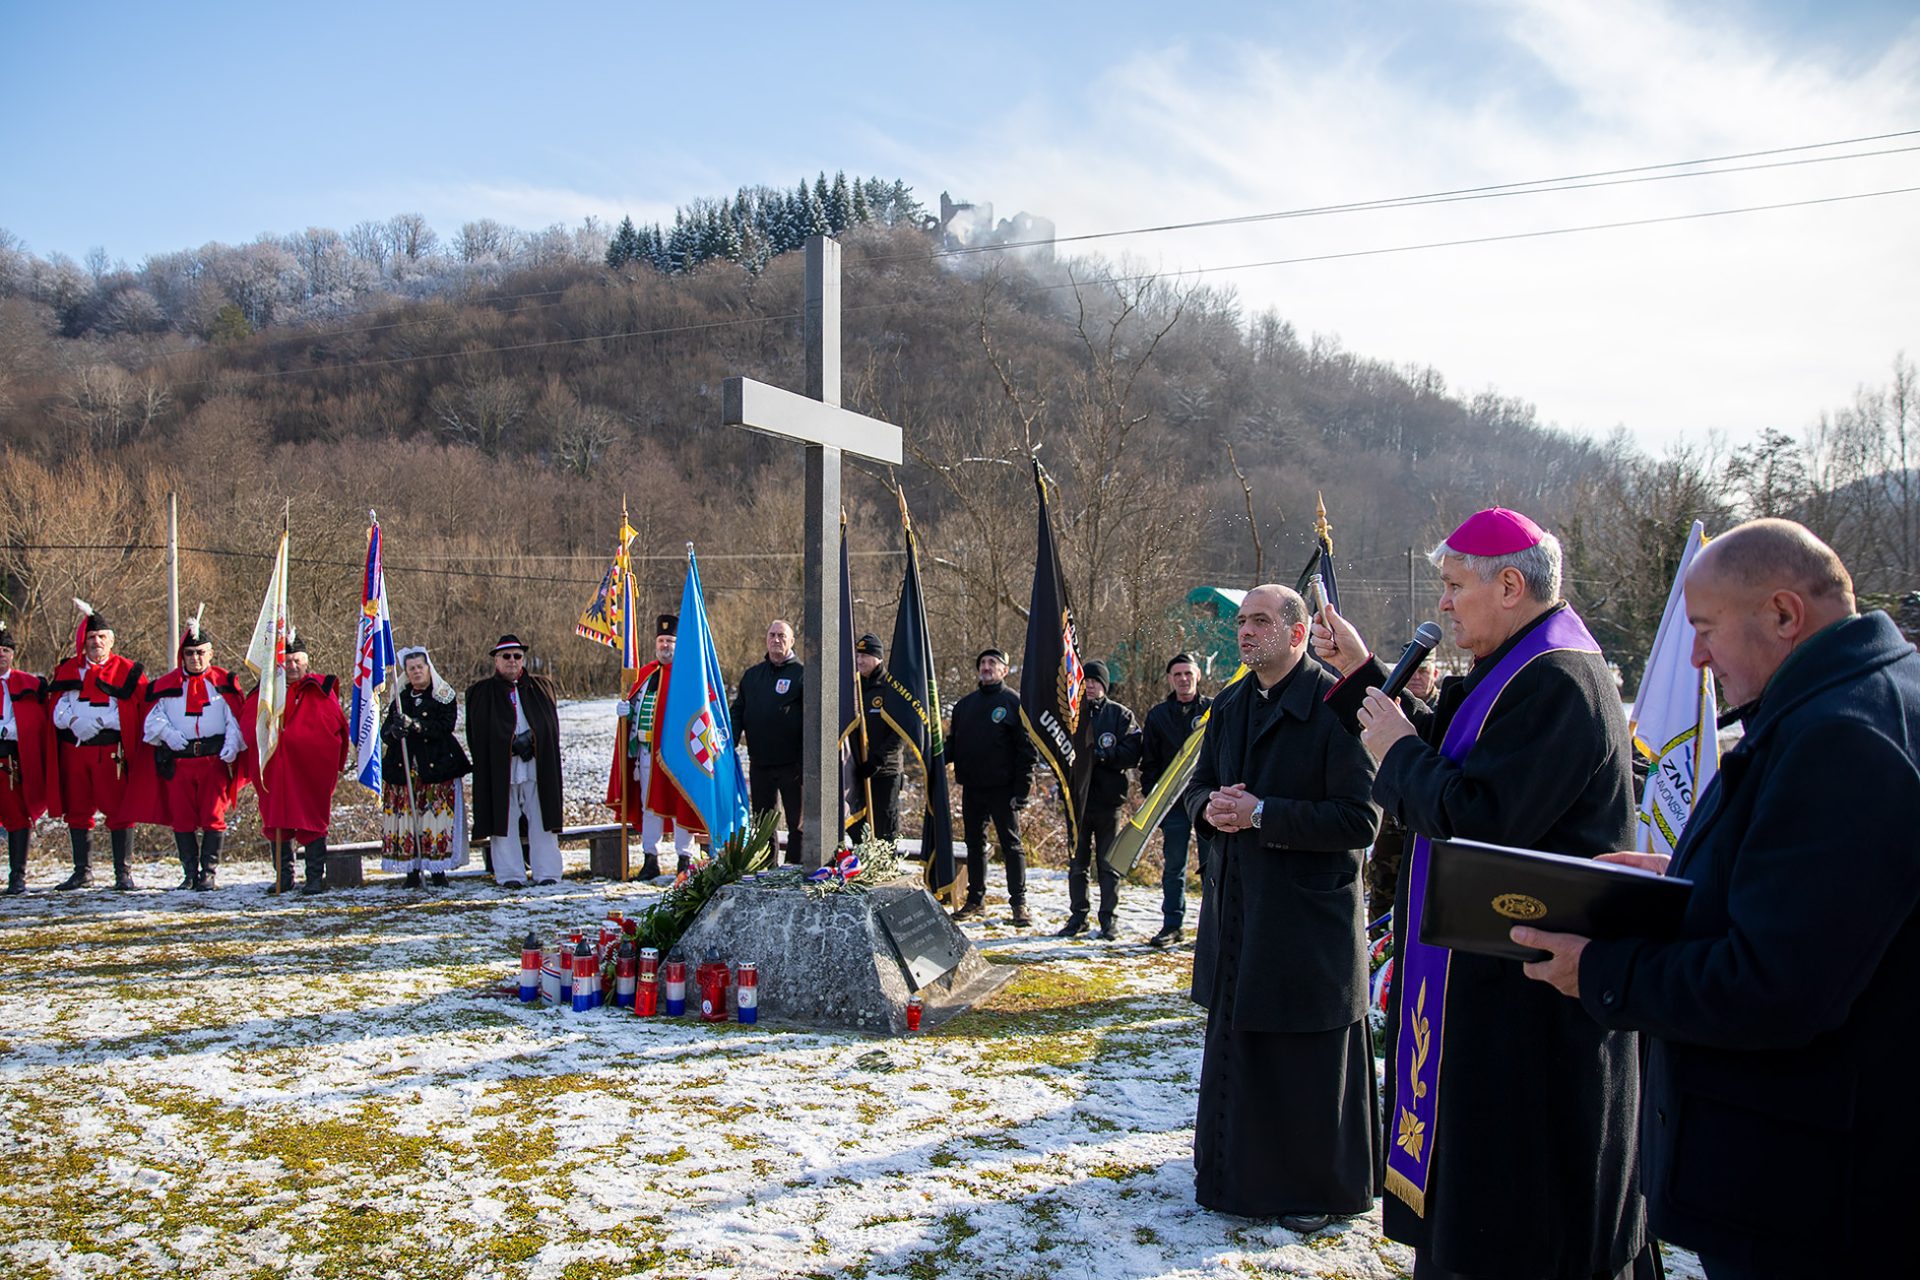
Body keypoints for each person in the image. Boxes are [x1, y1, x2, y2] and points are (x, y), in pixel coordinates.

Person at [1514, 519, 1920, 1279]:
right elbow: (1824, 901)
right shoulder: (1858, 700)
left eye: (1706, 630)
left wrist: (1604, 971)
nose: (1696, 657)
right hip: (1817, 1174)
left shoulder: (1844, 739)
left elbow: (1777, 987)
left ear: (1783, 614)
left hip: (1813, 1196)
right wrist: (1691, 879)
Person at [1312, 506, 1649, 1280]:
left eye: (1453, 585)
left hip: (1529, 1012)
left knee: (1518, 1227)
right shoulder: (1521, 669)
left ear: (1508, 584)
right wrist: (1363, 677)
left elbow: (1480, 817)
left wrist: (1396, 753)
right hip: (1492, 993)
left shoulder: (1560, 681)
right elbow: (1458, 760)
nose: (1442, 604)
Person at [1182, 584, 1380, 1230]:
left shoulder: (1337, 704)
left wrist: (1264, 813)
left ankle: (1310, 1188)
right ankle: (1235, 1178)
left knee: (1303, 1070)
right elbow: (1198, 787)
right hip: (1241, 914)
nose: (1245, 632)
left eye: (1261, 622)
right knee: (1243, 1057)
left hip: (1306, 923)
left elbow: (1361, 818)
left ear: (1298, 634)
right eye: (1242, 622)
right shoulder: (1231, 703)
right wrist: (1209, 809)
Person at [49, 605, 150, 890]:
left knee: (119, 810)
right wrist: (72, 720)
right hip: (75, 750)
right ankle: (82, 871)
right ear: (85, 641)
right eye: (92, 637)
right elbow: (57, 709)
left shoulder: (128, 671)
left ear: (112, 640)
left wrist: (103, 721)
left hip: (111, 753)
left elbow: (136, 711)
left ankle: (123, 873)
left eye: (102, 636)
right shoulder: (69, 670)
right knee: (78, 810)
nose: (97, 642)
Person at [142, 617, 246, 892]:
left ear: (210, 653)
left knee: (214, 816)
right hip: (180, 762)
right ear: (182, 655)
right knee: (183, 818)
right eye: (189, 653)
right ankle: (189, 873)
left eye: (201, 652)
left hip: (213, 761)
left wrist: (233, 744)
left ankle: (208, 873)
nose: (195, 658)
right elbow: (151, 721)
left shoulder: (224, 683)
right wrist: (167, 733)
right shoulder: (167, 686)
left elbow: (234, 719)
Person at [245, 631, 350, 894]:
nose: (291, 666)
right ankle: (284, 876)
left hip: (308, 771)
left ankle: (315, 877)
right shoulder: (266, 692)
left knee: (310, 819)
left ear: (306, 661)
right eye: (286, 661)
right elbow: (250, 726)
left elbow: (333, 730)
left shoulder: (319, 691)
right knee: (277, 819)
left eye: (296, 661)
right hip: (275, 770)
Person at [608, 614, 705, 880]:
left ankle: (684, 859)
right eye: (661, 640)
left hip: (677, 757)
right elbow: (636, 712)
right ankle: (650, 858)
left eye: (670, 641)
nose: (665, 645)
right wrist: (625, 713)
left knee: (679, 804)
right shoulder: (645, 675)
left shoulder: (688, 675)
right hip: (647, 754)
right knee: (648, 806)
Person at [947, 647, 1037, 925]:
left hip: (1004, 789)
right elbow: (953, 745)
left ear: (1003, 670)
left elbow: (1027, 751)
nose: (986, 667)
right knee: (974, 845)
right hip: (973, 788)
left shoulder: (1015, 703)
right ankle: (976, 899)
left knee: (1011, 846)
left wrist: (1022, 790)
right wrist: (932, 755)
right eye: (983, 662)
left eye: (993, 663)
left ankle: (1018, 903)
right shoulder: (964, 706)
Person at [466, 635, 563, 888]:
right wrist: (508, 744)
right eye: (506, 656)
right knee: (504, 821)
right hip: (502, 768)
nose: (512, 661)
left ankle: (547, 872)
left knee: (541, 819)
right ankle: (510, 874)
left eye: (517, 656)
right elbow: (478, 735)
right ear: (496, 660)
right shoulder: (481, 693)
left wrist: (533, 740)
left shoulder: (541, 688)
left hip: (535, 765)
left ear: (523, 659)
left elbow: (550, 728)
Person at [1135, 652, 1214, 947]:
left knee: (1213, 867)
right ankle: (1172, 925)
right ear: (1169, 679)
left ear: (1198, 676)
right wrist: (1152, 798)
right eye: (1177, 675)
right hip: (1173, 805)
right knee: (1174, 867)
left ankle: (1211, 929)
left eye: (1188, 674)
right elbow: (1149, 761)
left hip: (1209, 802)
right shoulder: (1158, 715)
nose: (1183, 679)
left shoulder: (1214, 710)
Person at [380, 647, 471, 887]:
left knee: (435, 819)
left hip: (436, 768)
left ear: (428, 668)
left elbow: (445, 725)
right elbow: (385, 731)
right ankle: (412, 870)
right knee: (410, 821)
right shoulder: (400, 697)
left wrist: (418, 726)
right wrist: (394, 731)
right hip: (404, 769)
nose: (417, 671)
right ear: (406, 672)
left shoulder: (443, 694)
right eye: (412, 668)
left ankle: (438, 870)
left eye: (420, 667)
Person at [1061, 659, 1137, 939]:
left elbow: (1133, 751)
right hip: (1077, 805)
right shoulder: (1069, 715)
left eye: (1094, 681)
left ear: (1104, 685)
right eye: (1085, 681)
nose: (1089, 685)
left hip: (1109, 802)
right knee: (1077, 863)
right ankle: (1078, 916)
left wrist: (1104, 756)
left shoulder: (1121, 715)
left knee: (1108, 864)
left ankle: (1108, 919)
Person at [1364, 653, 1437, 926]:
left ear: (1435, 675)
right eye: (1412, 672)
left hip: (1425, 815)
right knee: (1383, 884)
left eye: (1423, 672)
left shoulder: (1446, 709)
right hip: (1391, 813)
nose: (1416, 677)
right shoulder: (1393, 702)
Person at [731, 618, 805, 864]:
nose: (776, 640)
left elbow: (812, 718)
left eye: (782, 636)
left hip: (793, 764)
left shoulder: (803, 674)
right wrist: (728, 741)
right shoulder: (752, 676)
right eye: (772, 635)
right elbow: (738, 711)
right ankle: (767, 867)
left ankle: (794, 867)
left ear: (792, 641)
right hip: (760, 762)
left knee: (798, 821)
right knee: (763, 822)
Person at [2, 621, 60, 894]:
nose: (0, 654)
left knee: (17, 818)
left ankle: (17, 878)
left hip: (12, 761)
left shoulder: (29, 684)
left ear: (13, 654)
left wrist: (11, 729)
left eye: (5, 649)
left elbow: (38, 723)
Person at [851, 633, 906, 843]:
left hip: (885, 771)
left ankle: (885, 869)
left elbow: (900, 731)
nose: (860, 660)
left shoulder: (892, 688)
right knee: (857, 827)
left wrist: (878, 759)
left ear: (879, 658)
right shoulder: (853, 688)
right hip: (857, 770)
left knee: (885, 826)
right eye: (858, 655)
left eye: (865, 656)